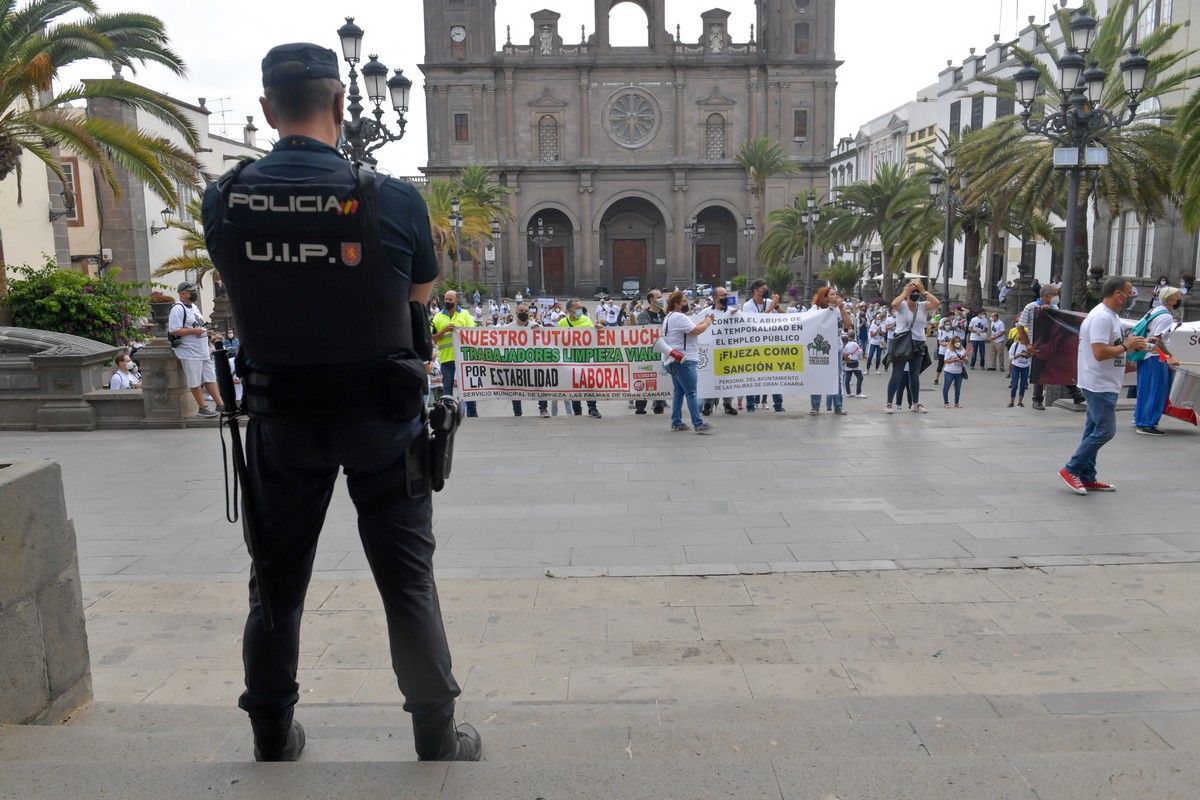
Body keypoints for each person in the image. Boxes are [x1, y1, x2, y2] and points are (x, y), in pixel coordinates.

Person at [201, 43, 479, 763]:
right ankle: (436, 735)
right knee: (406, 582)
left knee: (275, 585)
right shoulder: (392, 198)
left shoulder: (225, 198)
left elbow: (241, 281)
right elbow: (417, 303)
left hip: (280, 422)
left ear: (267, 111)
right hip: (382, 424)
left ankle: (271, 732)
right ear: (342, 105)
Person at [1060, 277, 1148, 494]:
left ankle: (1087, 476)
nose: (1132, 296)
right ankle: (1070, 469)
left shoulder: (1109, 316)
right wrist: (1127, 345)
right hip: (1099, 382)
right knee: (1106, 431)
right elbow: (1099, 352)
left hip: (1103, 381)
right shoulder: (1102, 317)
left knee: (1093, 429)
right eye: (1130, 292)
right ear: (1118, 294)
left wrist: (1130, 343)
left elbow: (1111, 347)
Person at [1018, 282, 1087, 410]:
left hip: (1055, 343)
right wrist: (1027, 344)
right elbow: (1020, 326)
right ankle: (1037, 400)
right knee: (1040, 371)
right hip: (1038, 344)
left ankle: (1076, 394)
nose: (1057, 297)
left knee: (1063, 367)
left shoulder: (1055, 307)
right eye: (1055, 294)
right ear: (1047, 295)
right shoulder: (1031, 307)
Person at [660, 290, 716, 433]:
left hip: (673, 359)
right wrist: (708, 322)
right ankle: (698, 423)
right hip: (684, 359)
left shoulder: (669, 317)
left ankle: (676, 422)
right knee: (691, 393)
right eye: (684, 301)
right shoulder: (679, 316)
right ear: (677, 304)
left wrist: (704, 321)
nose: (687, 303)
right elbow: (695, 331)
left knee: (679, 392)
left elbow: (691, 328)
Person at [167, 281, 223, 418]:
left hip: (202, 349)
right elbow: (174, 330)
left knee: (210, 377)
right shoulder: (178, 309)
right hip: (189, 351)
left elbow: (199, 326)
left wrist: (206, 332)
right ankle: (202, 407)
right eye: (192, 291)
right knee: (195, 380)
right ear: (183, 294)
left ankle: (220, 405)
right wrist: (194, 331)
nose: (194, 293)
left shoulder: (194, 308)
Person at [1132, 286, 1183, 436]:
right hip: (1155, 357)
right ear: (1171, 299)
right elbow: (1158, 339)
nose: (1181, 298)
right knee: (1156, 390)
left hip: (1145, 355)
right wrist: (1170, 356)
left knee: (1145, 389)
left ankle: (1140, 418)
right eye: (1178, 296)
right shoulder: (1166, 316)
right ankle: (1147, 423)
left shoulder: (1154, 310)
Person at [885, 279, 939, 414]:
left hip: (918, 342)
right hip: (902, 343)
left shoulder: (922, 305)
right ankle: (889, 404)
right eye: (912, 291)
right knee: (897, 374)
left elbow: (936, 303)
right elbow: (894, 303)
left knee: (914, 375)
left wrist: (923, 291)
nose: (914, 294)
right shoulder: (901, 305)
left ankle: (915, 404)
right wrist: (905, 292)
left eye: (916, 292)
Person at [432, 290, 478, 418]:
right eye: (446, 299)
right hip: (447, 358)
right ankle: (448, 415)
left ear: (456, 300)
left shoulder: (465, 314)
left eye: (450, 300)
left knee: (468, 387)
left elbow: (473, 334)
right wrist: (445, 330)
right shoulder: (437, 317)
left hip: (463, 358)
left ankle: (472, 413)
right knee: (447, 388)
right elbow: (433, 338)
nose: (447, 302)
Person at [809, 286, 853, 416]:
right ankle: (815, 406)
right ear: (825, 296)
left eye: (836, 294)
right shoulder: (815, 309)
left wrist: (841, 308)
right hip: (820, 349)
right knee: (817, 377)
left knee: (837, 378)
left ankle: (838, 406)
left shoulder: (838, 310)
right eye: (832, 294)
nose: (835, 296)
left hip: (836, 349)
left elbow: (848, 325)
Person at [742, 279, 784, 413]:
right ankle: (750, 405)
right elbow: (756, 323)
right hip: (754, 346)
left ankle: (778, 404)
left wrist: (776, 306)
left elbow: (786, 317)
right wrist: (770, 308)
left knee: (774, 375)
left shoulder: (769, 303)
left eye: (766, 289)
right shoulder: (748, 306)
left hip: (770, 345)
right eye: (762, 290)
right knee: (751, 375)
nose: (765, 292)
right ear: (755, 290)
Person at [558, 299, 602, 418]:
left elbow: (593, 337)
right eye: (577, 308)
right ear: (569, 310)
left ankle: (592, 408)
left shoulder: (586, 319)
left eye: (580, 307)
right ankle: (577, 412)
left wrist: (597, 328)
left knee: (589, 384)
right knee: (573, 385)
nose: (580, 310)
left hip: (586, 359)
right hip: (570, 360)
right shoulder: (562, 323)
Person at [701, 286, 739, 416]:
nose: (726, 298)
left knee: (728, 378)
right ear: (716, 297)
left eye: (727, 295)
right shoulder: (705, 312)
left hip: (728, 352)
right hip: (711, 352)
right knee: (710, 377)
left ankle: (728, 404)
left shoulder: (734, 311)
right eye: (723, 296)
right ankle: (708, 404)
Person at [507, 303, 549, 419]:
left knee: (540, 385)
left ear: (530, 312)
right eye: (521, 311)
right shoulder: (508, 328)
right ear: (516, 312)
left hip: (533, 362)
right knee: (515, 388)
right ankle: (517, 412)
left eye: (526, 311)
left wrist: (540, 331)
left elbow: (548, 340)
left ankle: (543, 408)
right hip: (516, 363)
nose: (524, 313)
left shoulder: (535, 326)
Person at [634, 290, 668, 416]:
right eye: (659, 297)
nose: (662, 298)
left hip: (663, 352)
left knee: (661, 377)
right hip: (648, 353)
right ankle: (640, 406)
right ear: (652, 300)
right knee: (646, 377)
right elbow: (649, 331)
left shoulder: (666, 314)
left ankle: (659, 404)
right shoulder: (643, 315)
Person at [941, 335, 967, 408]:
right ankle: (946, 402)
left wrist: (964, 358)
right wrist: (954, 360)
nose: (958, 343)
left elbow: (967, 362)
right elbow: (945, 361)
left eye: (959, 341)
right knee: (947, 386)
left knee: (958, 388)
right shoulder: (949, 350)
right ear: (952, 343)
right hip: (949, 371)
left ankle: (957, 403)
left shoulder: (963, 350)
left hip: (959, 372)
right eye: (956, 342)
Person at [1008, 337, 1032, 407]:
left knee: (1023, 385)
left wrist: (1028, 355)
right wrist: (1019, 355)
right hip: (1016, 366)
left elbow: (1032, 355)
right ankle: (1012, 402)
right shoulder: (1015, 345)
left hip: (1025, 367)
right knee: (1014, 385)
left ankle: (1020, 402)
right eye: (1021, 339)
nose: (1023, 341)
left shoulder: (1029, 346)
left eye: (1025, 339)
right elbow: (1010, 357)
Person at [842, 333, 865, 398]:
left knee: (848, 378)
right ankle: (858, 393)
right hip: (855, 363)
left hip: (847, 363)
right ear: (854, 337)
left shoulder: (844, 346)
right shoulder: (855, 344)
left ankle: (848, 393)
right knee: (860, 378)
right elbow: (860, 352)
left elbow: (843, 355)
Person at [933, 317, 952, 386]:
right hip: (942, 351)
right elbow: (940, 342)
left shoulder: (952, 332)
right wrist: (946, 344)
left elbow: (954, 342)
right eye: (946, 324)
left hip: (950, 352)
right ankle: (936, 379)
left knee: (950, 366)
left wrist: (949, 344)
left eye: (949, 324)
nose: (948, 326)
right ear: (944, 325)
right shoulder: (941, 332)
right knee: (940, 365)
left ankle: (950, 380)